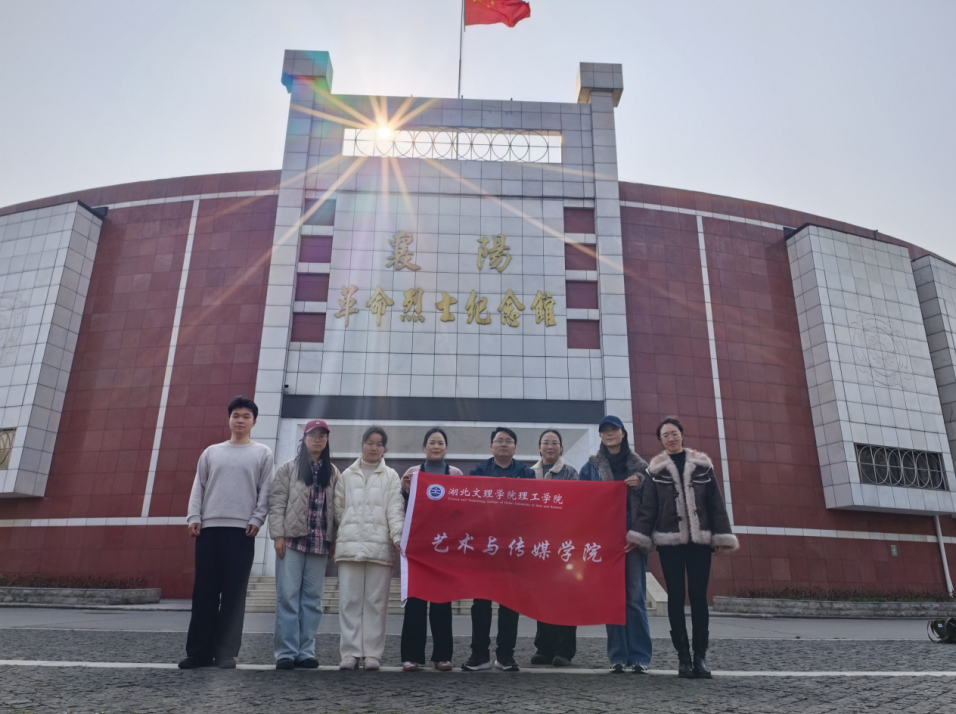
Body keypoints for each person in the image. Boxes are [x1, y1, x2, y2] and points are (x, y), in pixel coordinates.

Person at [629, 417, 738, 679]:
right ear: (661, 440)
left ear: (682, 434)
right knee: (676, 597)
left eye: (674, 433)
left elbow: (715, 503)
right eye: (665, 435)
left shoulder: (702, 465)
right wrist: (639, 536)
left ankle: (700, 657)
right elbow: (649, 508)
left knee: (699, 597)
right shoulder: (655, 470)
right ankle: (683, 659)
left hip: (700, 543)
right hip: (670, 543)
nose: (670, 438)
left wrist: (721, 537)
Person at [179, 396, 274, 670]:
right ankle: (198, 652)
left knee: (234, 594)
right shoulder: (212, 452)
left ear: (254, 422)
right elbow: (199, 486)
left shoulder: (262, 453)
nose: (240, 420)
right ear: (229, 419)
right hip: (209, 529)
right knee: (205, 592)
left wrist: (258, 518)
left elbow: (266, 490)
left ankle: (225, 653)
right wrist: (194, 516)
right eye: (236, 415)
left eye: (246, 416)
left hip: (242, 532)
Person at [578, 415, 652, 674]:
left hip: (633, 536)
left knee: (635, 597)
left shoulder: (641, 467)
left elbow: (651, 505)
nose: (610, 434)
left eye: (614, 429)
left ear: (623, 433)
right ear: (600, 435)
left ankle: (640, 657)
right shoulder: (590, 467)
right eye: (605, 430)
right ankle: (618, 656)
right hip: (605, 537)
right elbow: (582, 502)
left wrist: (641, 484)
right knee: (612, 597)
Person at [268, 419, 340, 670]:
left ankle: (306, 652)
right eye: (313, 435)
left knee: (312, 600)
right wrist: (278, 535)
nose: (317, 440)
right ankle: (286, 653)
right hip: (291, 542)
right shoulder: (289, 468)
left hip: (319, 544)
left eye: (322, 436)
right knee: (287, 597)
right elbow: (277, 503)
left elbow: (337, 509)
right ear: (304, 439)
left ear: (327, 440)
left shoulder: (334, 472)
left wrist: (334, 539)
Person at [462, 427, 535, 672]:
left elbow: (532, 511)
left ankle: (505, 655)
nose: (504, 444)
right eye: (499, 441)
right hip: (485, 548)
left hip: (513, 548)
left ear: (515, 447)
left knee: (510, 603)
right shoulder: (478, 473)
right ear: (491, 446)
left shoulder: (526, 474)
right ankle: (479, 654)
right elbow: (470, 509)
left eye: (509, 441)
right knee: (481, 603)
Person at [334, 426, 405, 671]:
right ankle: (350, 652)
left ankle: (373, 653)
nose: (374, 447)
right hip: (350, 546)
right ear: (362, 445)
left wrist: (397, 537)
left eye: (379, 444)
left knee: (376, 602)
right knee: (349, 601)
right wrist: (349, 531)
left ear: (385, 448)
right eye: (370, 442)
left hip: (380, 548)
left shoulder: (391, 476)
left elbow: (395, 510)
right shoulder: (347, 475)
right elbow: (338, 510)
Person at [399, 427, 463, 672]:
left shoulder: (455, 473)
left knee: (442, 603)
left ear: (446, 448)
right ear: (424, 447)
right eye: (432, 443)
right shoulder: (413, 473)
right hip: (418, 547)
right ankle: (411, 656)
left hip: (444, 548)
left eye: (440, 443)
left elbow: (461, 510)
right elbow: (403, 508)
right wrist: (406, 491)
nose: (436, 447)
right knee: (415, 603)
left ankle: (442, 656)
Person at [530, 429, 578, 667]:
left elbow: (577, 505)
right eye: (546, 442)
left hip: (563, 545)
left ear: (561, 448)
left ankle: (564, 650)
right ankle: (544, 648)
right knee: (543, 597)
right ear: (539, 447)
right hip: (538, 546)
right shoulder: (529, 474)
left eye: (555, 443)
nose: (550, 446)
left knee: (565, 596)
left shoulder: (571, 473)